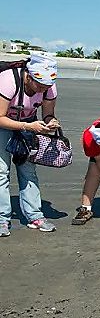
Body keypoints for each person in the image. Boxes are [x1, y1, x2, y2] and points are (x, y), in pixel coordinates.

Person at [0, 55, 60, 236]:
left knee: (28, 170)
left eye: (47, 86)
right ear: (28, 76)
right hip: (4, 124)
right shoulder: (8, 81)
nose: (44, 89)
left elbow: (48, 114)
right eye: (40, 85)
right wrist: (27, 126)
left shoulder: (49, 87)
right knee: (1, 171)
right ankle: (2, 218)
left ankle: (35, 215)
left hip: (28, 124)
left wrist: (51, 123)